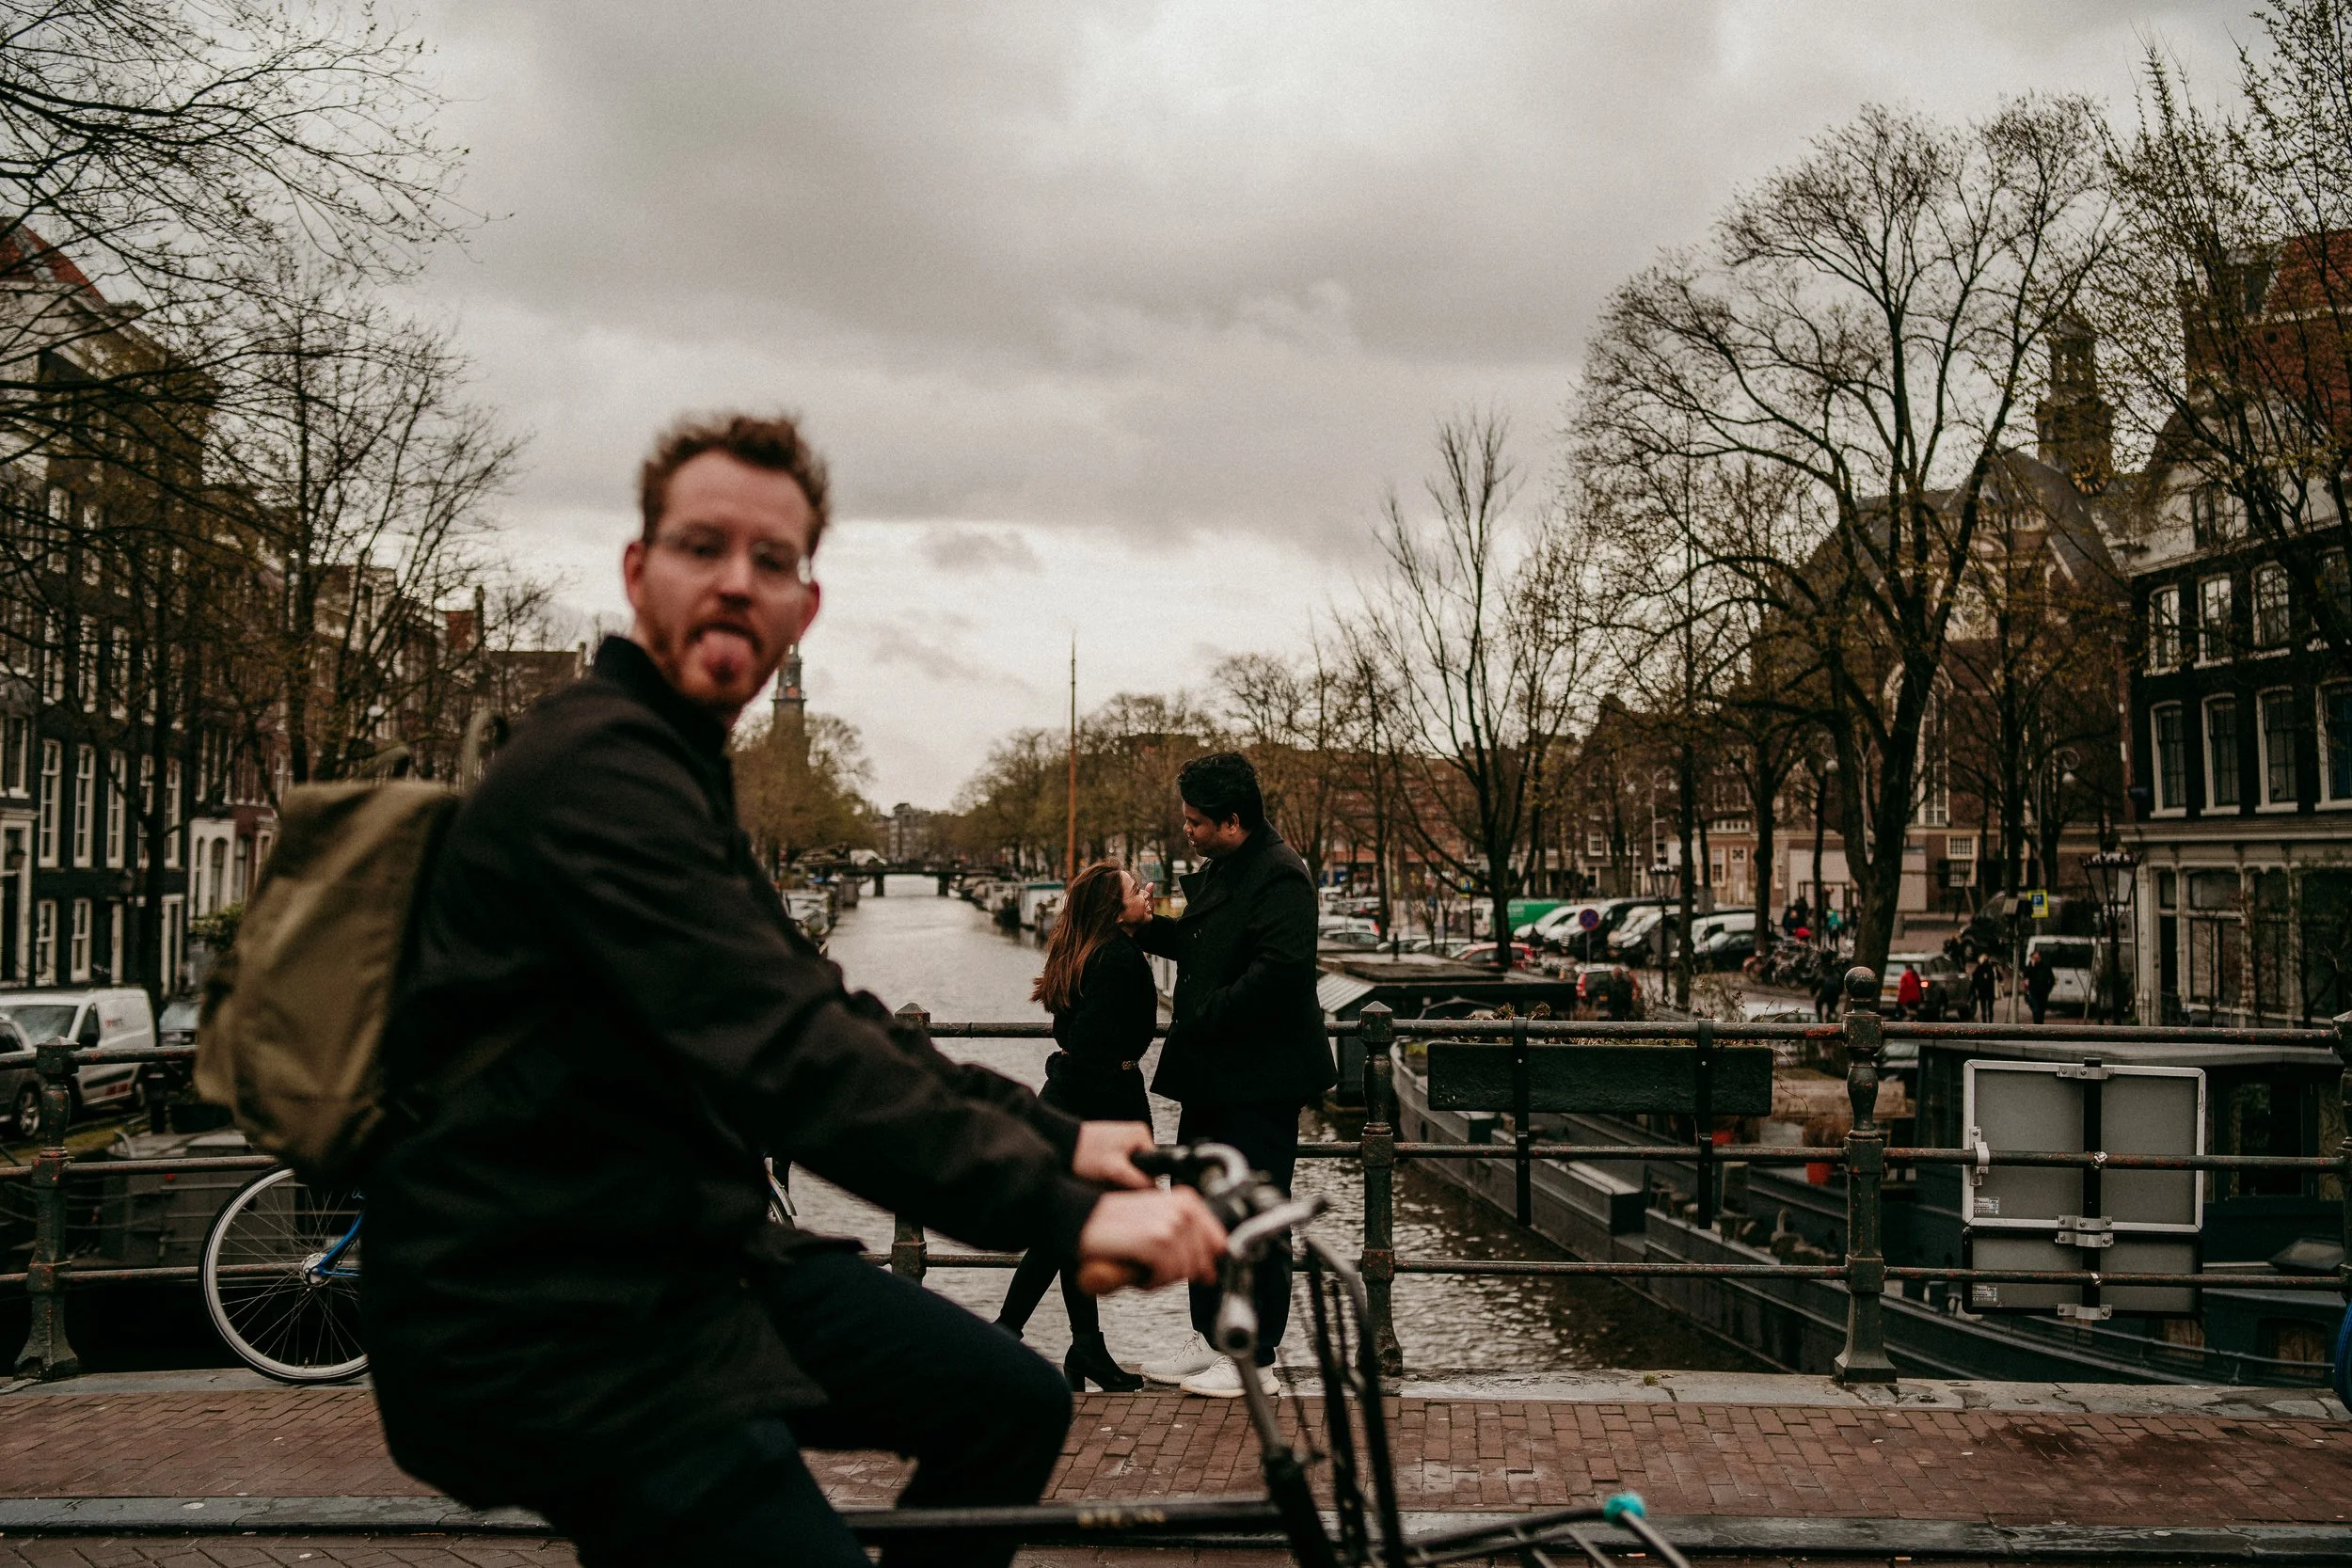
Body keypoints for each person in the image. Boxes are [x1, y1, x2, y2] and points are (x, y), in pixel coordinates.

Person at [361, 414, 1226, 1568]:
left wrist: (1063, 1142)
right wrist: (1063, 1212)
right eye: (701, 545)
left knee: (1009, 1398)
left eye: (770, 559)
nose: (735, 579)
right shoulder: (594, 772)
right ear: (637, 571)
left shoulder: (678, 770)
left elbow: (831, 1015)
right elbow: (785, 1053)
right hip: (533, 1306)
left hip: (668, 1256)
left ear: (802, 608)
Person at [1130, 752, 1334, 1398]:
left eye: (1195, 821)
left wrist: (1204, 1015)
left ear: (1233, 820)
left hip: (1260, 1079)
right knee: (1197, 1202)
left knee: (1252, 1214)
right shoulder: (1227, 866)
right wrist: (1144, 929)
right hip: (1215, 1073)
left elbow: (1281, 973)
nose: (1186, 830)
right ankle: (1210, 1336)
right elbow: (1202, 945)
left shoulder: (1281, 876)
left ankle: (1256, 1358)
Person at [996, 862, 1157, 1393]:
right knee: (1069, 1230)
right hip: (1099, 1105)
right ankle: (1007, 1337)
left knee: (1072, 1228)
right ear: (1114, 909)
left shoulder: (1085, 951)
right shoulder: (1118, 959)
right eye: (1135, 889)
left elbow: (1073, 1035)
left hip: (1073, 1098)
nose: (1147, 893)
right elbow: (1094, 1044)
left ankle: (1082, 1344)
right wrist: (1105, 1133)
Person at [2026, 946, 2057, 1024]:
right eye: (2034, 958)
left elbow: (2052, 979)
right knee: (2036, 1009)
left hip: (2043, 992)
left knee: (2041, 1011)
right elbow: (2026, 975)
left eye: (2037, 958)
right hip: (2033, 991)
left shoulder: (2045, 967)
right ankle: (2036, 1024)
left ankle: (2040, 1025)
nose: (2036, 959)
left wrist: (2048, 989)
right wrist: (2032, 966)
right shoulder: (2031, 967)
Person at [1970, 956, 1999, 1022]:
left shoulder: (1979, 968)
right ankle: (1990, 1022)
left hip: (1982, 991)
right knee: (1990, 1008)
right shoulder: (1991, 969)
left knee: (1984, 1009)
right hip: (1990, 991)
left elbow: (1974, 979)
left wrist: (1974, 988)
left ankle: (1985, 1022)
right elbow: (1999, 978)